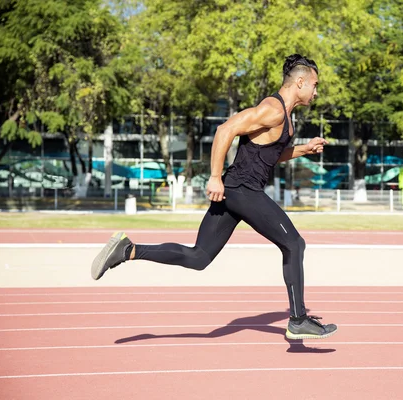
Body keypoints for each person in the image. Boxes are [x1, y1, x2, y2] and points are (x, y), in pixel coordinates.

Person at [91, 54, 337, 340]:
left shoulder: (285, 117)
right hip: (242, 190)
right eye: (315, 85)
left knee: (199, 257)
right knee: (294, 243)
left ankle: (128, 249)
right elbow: (226, 129)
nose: (316, 92)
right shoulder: (273, 109)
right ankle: (297, 319)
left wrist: (303, 149)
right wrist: (215, 176)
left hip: (237, 191)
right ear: (300, 82)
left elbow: (269, 155)